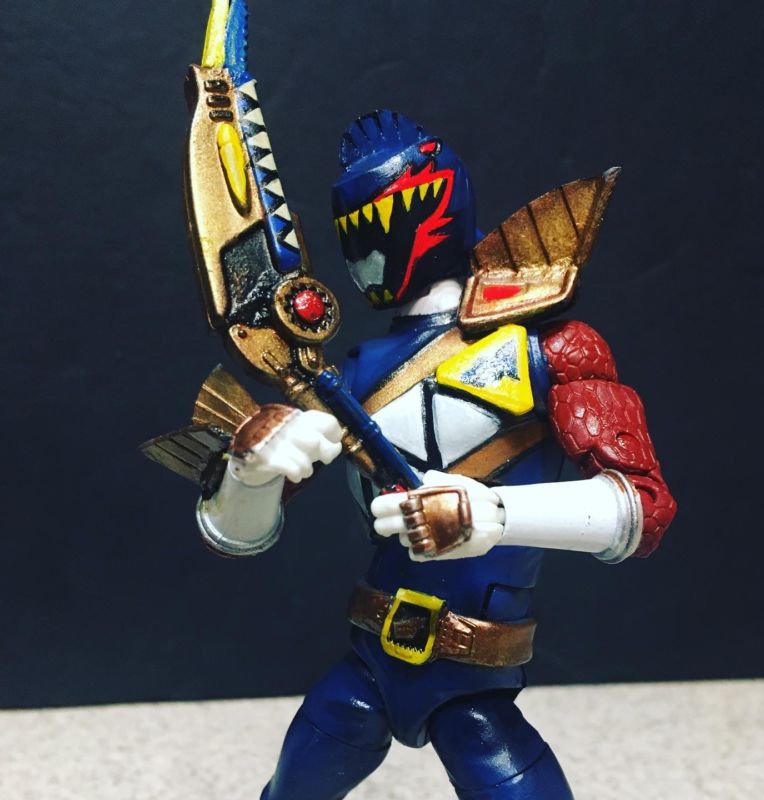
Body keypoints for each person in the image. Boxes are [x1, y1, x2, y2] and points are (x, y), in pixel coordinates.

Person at [196, 110, 677, 800]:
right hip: (369, 658)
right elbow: (236, 535)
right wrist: (252, 470)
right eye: (351, 230)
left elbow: (642, 508)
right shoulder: (348, 377)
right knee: (309, 760)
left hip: (474, 666)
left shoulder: (549, 351)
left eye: (378, 223)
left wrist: (492, 513)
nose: (365, 251)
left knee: (489, 753)